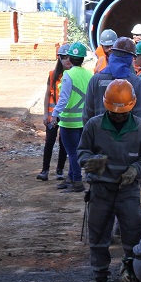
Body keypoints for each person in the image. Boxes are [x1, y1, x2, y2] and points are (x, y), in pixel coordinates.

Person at [78, 79, 141, 282]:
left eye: (123, 113)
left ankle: (137, 276)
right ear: (106, 106)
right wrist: (89, 162)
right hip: (100, 189)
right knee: (99, 236)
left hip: (127, 190)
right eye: (114, 113)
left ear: (132, 106)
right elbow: (81, 151)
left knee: (134, 232)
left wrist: (136, 169)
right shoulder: (94, 125)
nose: (119, 116)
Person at [51, 42, 93, 192]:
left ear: (69, 57)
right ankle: (71, 178)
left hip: (69, 121)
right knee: (77, 151)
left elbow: (64, 99)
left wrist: (54, 114)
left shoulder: (68, 75)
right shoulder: (89, 74)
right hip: (84, 120)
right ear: (83, 58)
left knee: (72, 152)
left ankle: (77, 181)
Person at [83, 37, 141, 123]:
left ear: (113, 54)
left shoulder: (96, 79)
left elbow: (87, 114)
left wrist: (91, 133)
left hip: (100, 133)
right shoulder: (136, 82)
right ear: (130, 58)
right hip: (127, 135)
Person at [37, 47, 71, 181]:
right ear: (59, 58)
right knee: (49, 141)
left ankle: (60, 170)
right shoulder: (53, 75)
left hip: (67, 115)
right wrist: (45, 114)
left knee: (64, 142)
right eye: (64, 57)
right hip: (53, 115)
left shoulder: (73, 75)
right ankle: (45, 170)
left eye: (69, 57)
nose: (67, 60)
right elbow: (47, 95)